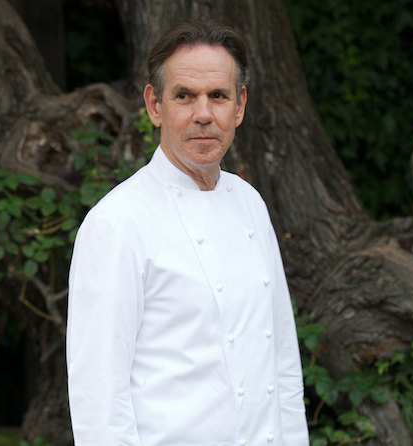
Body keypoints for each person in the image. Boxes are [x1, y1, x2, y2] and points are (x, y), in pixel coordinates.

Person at [66, 21, 310, 446]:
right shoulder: (117, 224)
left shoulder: (250, 204)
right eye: (184, 96)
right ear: (154, 105)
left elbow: (283, 364)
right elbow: (99, 402)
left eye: (218, 96)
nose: (203, 114)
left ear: (239, 106)